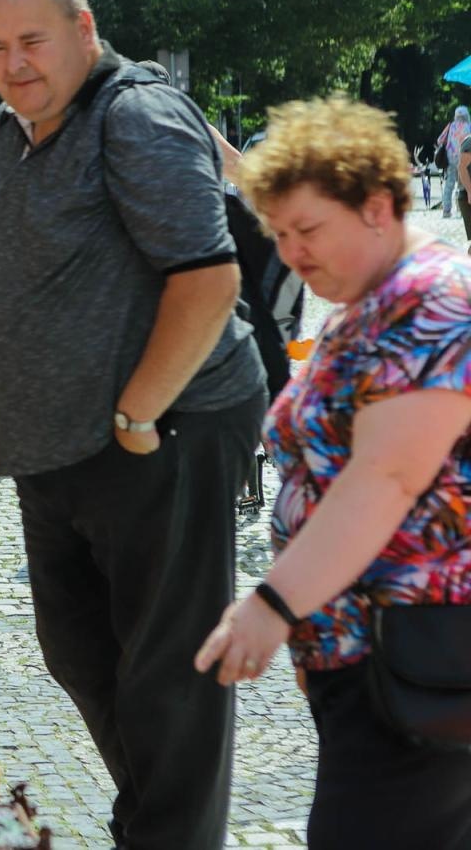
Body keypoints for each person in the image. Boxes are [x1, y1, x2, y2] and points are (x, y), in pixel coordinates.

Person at [0, 0, 265, 850]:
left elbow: (208, 279)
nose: (14, 63)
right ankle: (157, 816)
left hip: (165, 430)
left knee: (169, 672)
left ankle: (165, 832)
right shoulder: (10, 132)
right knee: (78, 653)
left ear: (84, 31)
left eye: (32, 41)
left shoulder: (136, 117)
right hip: (54, 446)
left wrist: (137, 414)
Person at [194, 96, 471, 847]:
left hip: (421, 658)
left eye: (308, 230)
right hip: (378, 660)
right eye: (280, 234)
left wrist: (273, 606)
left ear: (378, 207)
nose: (291, 254)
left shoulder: (431, 301)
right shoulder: (368, 299)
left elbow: (386, 479)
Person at [436, 106, 470, 218]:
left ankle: (446, 210)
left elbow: (440, 140)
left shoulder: (451, 126)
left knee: (449, 184)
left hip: (451, 159)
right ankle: (461, 209)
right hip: (464, 158)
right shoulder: (469, 126)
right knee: (463, 184)